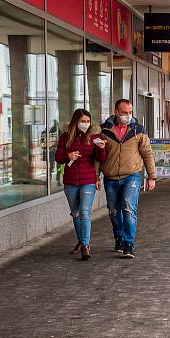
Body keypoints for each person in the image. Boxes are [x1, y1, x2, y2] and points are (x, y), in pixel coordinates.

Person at [100, 99, 157, 259]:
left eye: (130, 112)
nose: (128, 115)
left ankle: (129, 243)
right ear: (116, 112)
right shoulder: (104, 130)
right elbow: (98, 156)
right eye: (124, 112)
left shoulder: (138, 130)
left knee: (129, 208)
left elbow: (147, 153)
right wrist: (96, 176)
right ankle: (119, 237)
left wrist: (151, 177)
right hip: (110, 177)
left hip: (131, 176)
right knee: (113, 210)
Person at [55, 109, 107, 260]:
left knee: (84, 211)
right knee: (76, 213)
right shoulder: (66, 137)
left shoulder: (94, 137)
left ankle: (85, 245)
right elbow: (58, 157)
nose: (86, 124)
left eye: (88, 121)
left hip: (88, 180)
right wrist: (68, 155)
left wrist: (101, 149)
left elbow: (100, 158)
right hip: (70, 181)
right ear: (76, 122)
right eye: (83, 121)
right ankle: (81, 241)